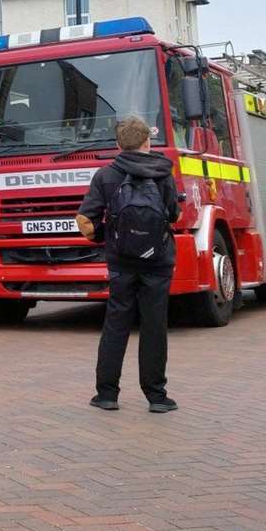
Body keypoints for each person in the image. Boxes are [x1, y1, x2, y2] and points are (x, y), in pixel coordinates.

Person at [76, 114, 181, 414]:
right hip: (158, 261)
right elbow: (172, 214)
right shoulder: (163, 173)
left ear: (119, 144)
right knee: (154, 327)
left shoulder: (106, 175)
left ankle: (107, 394)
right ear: (148, 141)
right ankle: (157, 397)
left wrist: (103, 239)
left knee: (116, 324)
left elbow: (87, 219)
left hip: (121, 262)